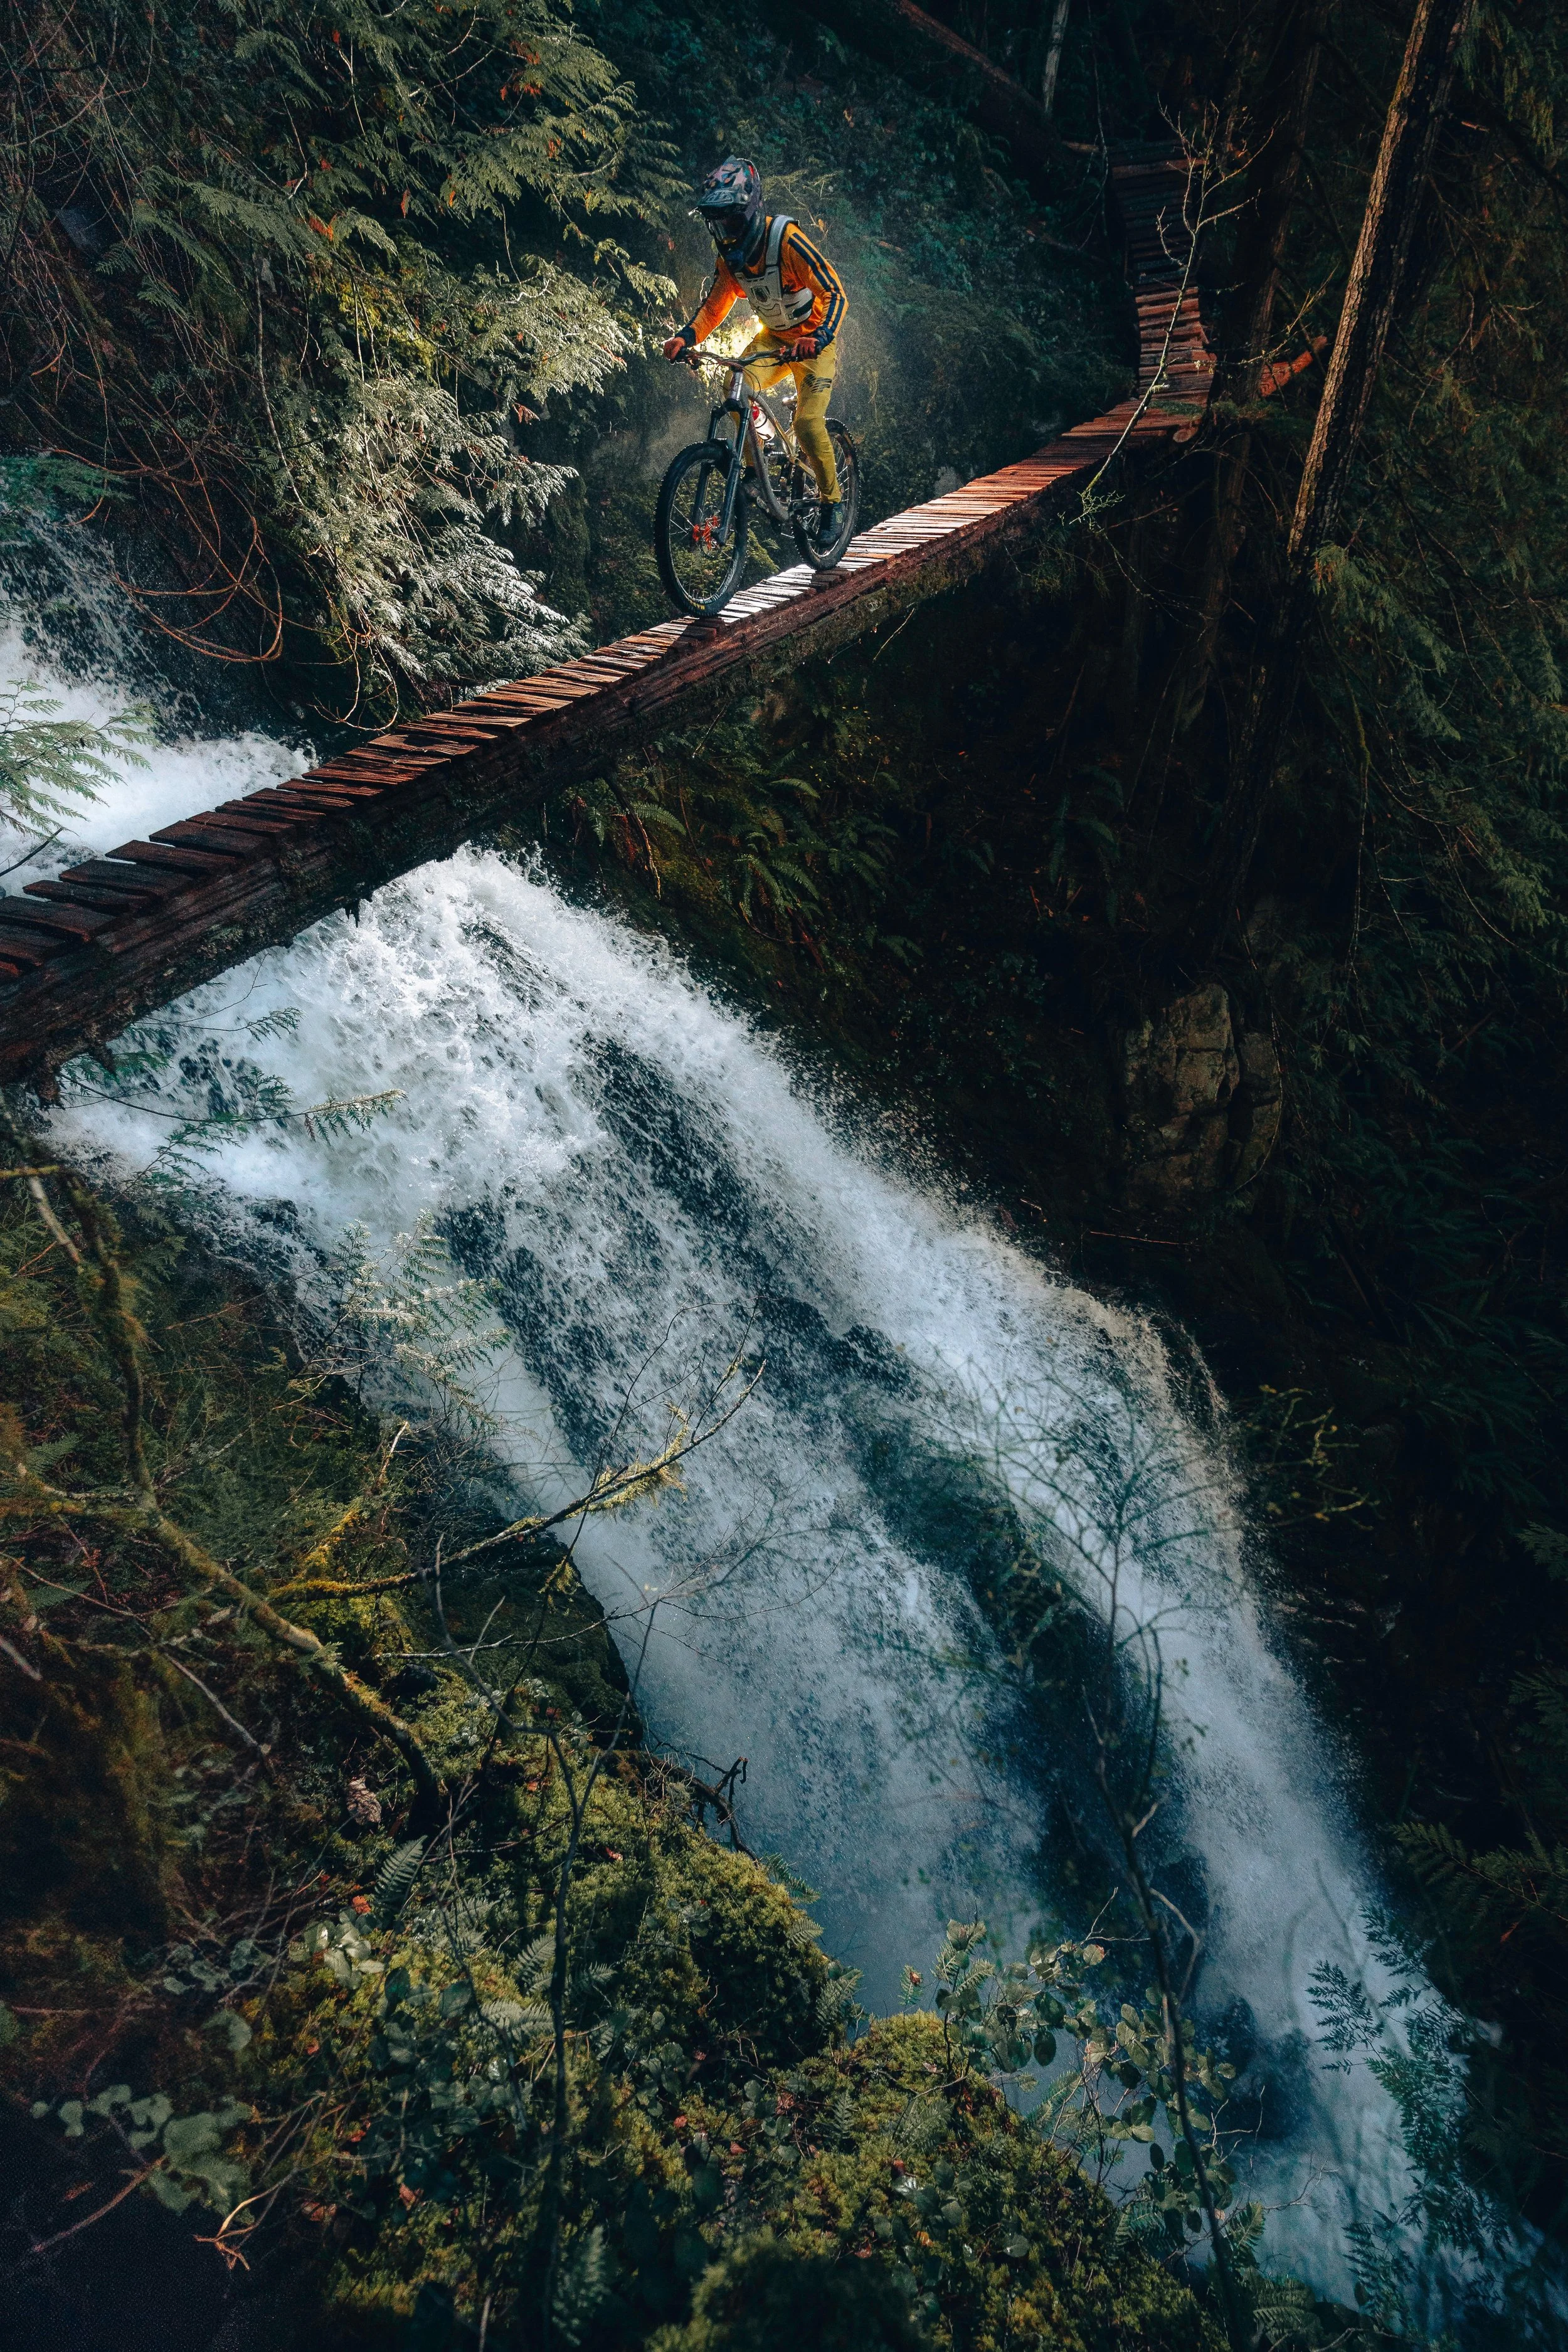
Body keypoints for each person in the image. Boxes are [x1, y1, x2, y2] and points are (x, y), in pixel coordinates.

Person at [663, 157, 848, 541]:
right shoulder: (731, 260)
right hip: (774, 339)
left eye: (730, 222)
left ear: (749, 214)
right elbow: (716, 305)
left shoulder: (786, 241)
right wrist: (687, 337)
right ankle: (755, 465)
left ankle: (833, 503)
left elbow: (835, 292)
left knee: (807, 424)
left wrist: (819, 335)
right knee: (736, 386)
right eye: (717, 224)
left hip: (813, 343)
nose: (725, 231)